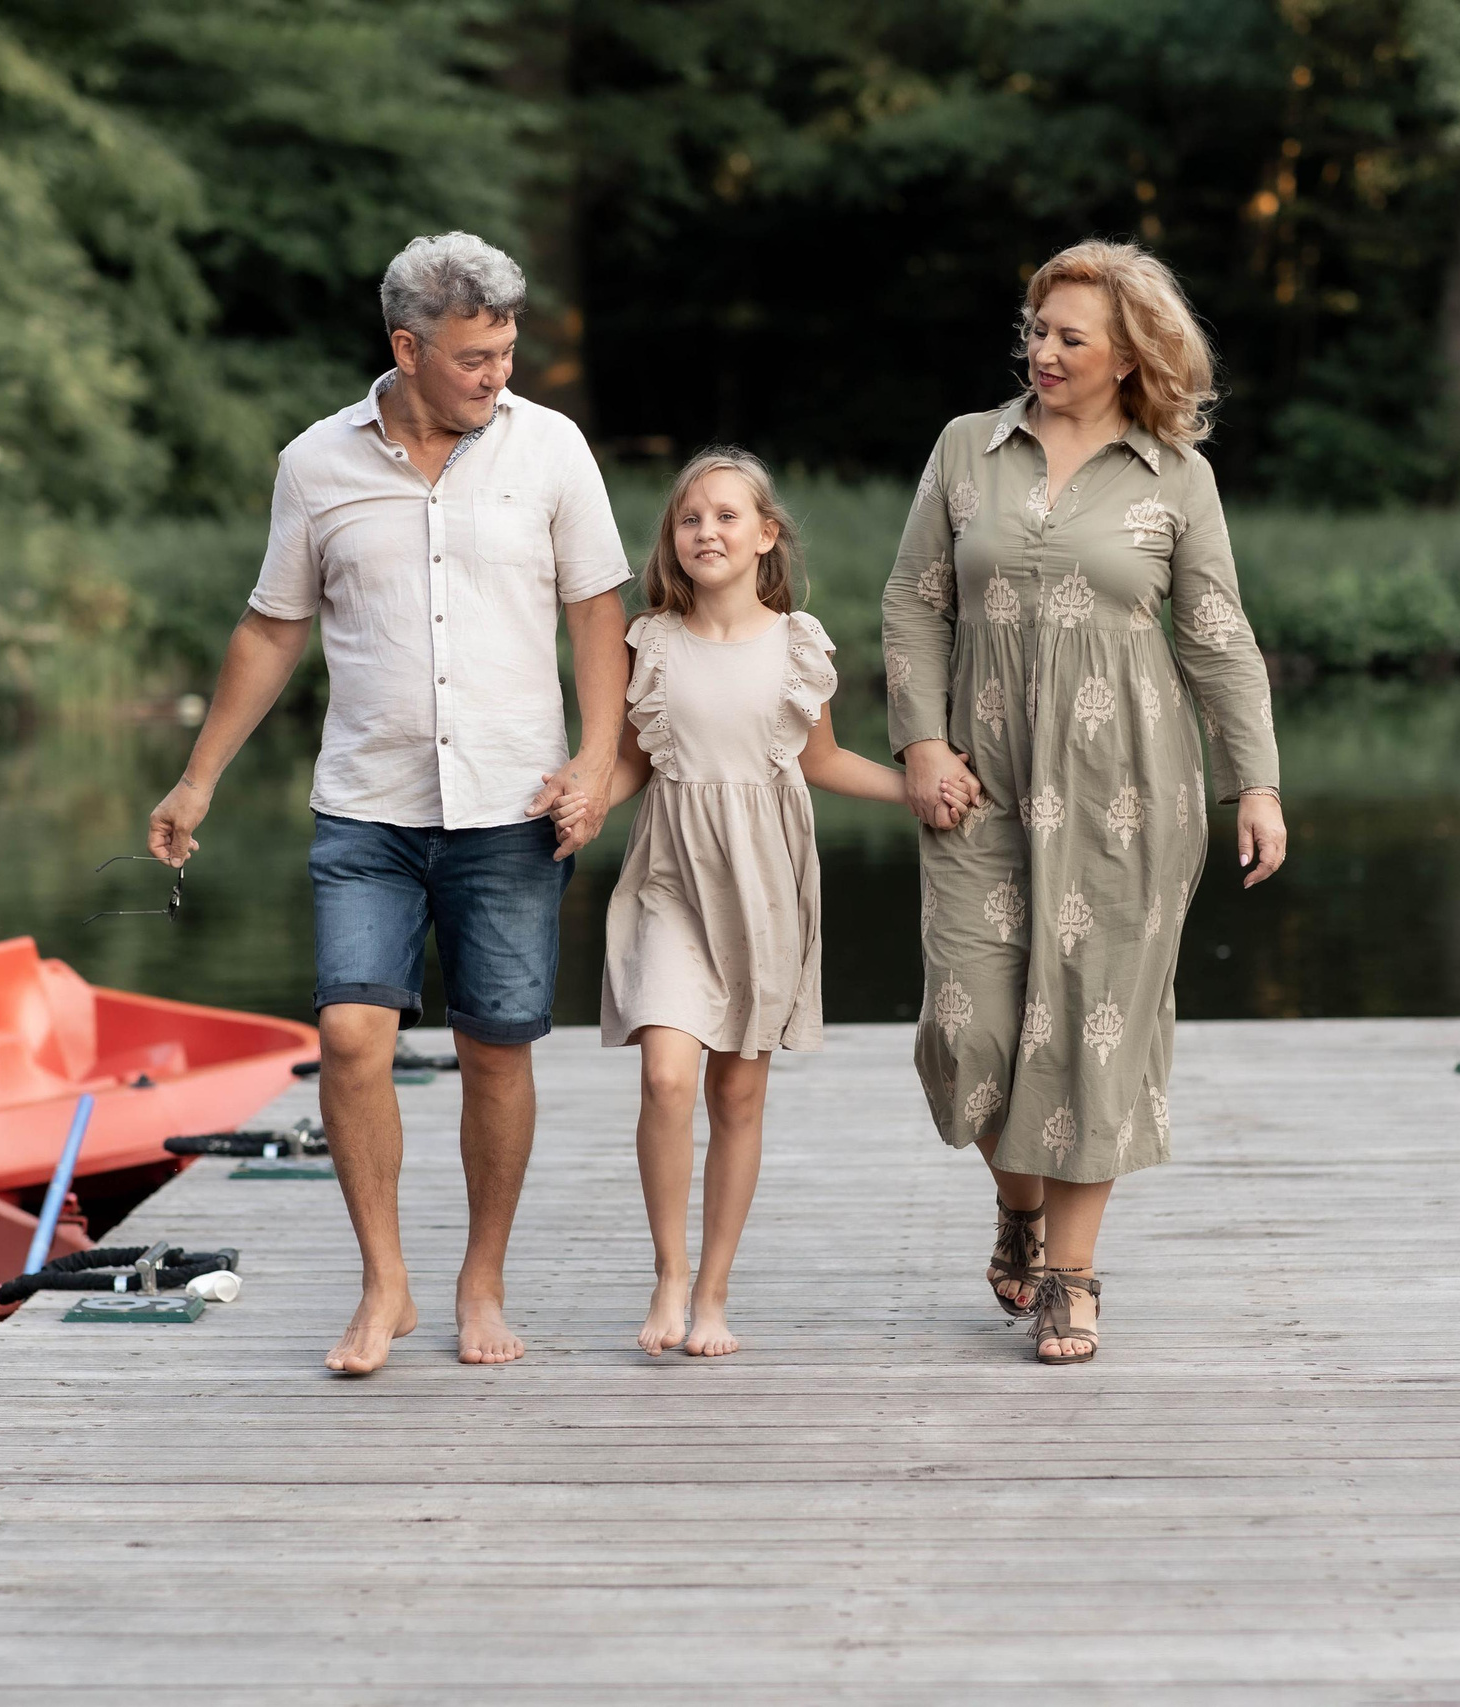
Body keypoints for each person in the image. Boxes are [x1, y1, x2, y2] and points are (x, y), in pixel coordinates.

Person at [147, 232, 633, 1375]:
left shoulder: (551, 450)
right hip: (367, 806)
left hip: (513, 802)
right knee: (352, 1038)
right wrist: (197, 775)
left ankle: (481, 1279)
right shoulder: (317, 464)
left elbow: (598, 613)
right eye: (473, 357)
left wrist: (598, 761)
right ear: (406, 349)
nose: (495, 375)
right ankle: (386, 1286)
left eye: (507, 352)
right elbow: (273, 630)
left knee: (496, 1051)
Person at [878, 238, 1288, 1365]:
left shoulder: (1175, 478)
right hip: (980, 784)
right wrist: (919, 741)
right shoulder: (969, 448)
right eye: (1037, 330)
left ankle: (1071, 1276)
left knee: (1092, 1033)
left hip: (1129, 799)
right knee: (971, 1029)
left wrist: (1252, 782)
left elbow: (1215, 637)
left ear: (1128, 354)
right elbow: (912, 604)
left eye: (1070, 336)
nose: (1044, 351)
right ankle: (1017, 1208)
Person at [544, 449, 908, 1358]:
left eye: (726, 516)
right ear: (673, 539)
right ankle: (668, 1274)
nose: (706, 530)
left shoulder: (800, 642)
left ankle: (714, 1292)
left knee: (737, 1092)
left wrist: (918, 790)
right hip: (672, 874)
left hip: (765, 881)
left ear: (766, 535)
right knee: (668, 1074)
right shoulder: (650, 641)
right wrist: (589, 799)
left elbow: (819, 761)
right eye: (689, 518)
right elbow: (633, 758)